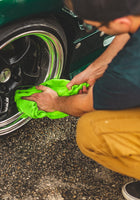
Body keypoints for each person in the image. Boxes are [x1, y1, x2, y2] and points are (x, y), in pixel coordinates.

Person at [24, 0, 140, 199]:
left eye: (96, 27)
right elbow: (128, 30)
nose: (94, 29)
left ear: (120, 20)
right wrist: (96, 67)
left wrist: (54, 103)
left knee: (92, 130)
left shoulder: (129, 71)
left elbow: (85, 105)